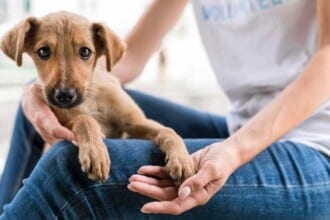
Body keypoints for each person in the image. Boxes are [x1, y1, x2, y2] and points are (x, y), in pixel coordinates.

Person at [1, 0, 330, 219]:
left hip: (315, 147)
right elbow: (125, 62)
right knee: (37, 107)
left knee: (70, 170)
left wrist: (235, 151)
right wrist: (38, 90)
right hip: (240, 126)